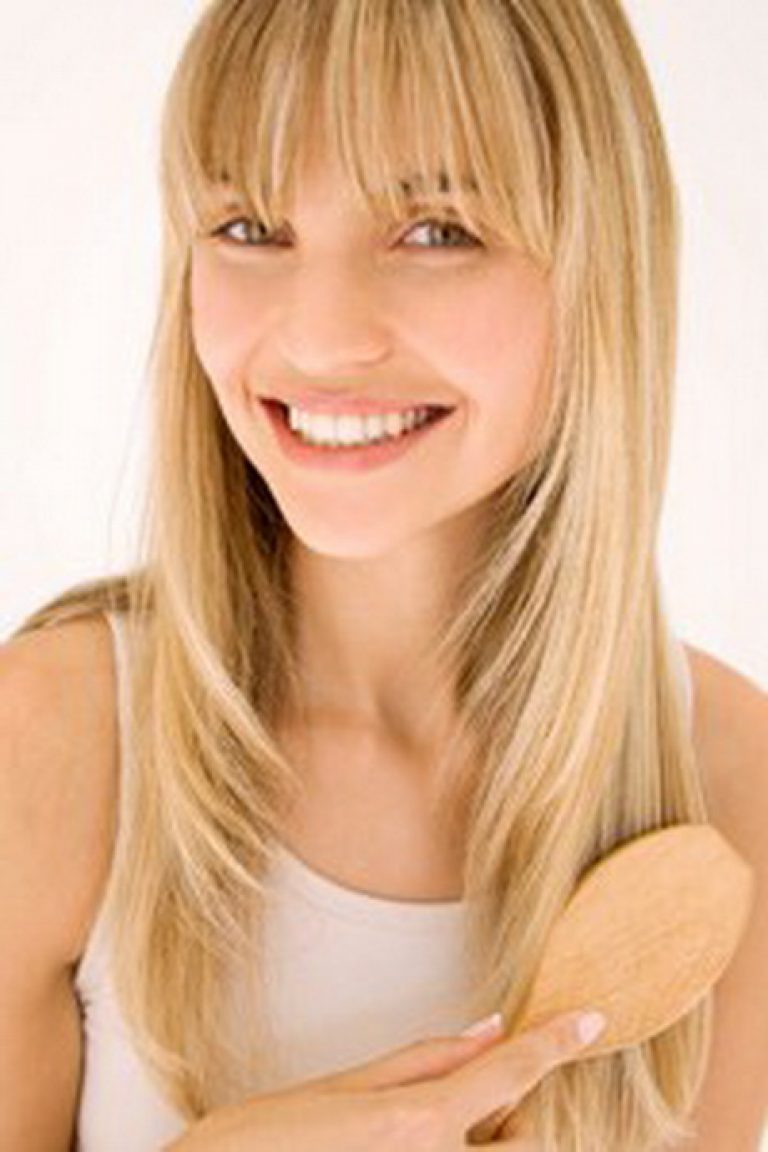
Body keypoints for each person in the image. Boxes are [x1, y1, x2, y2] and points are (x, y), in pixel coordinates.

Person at [2, 1, 767, 1149]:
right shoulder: (51, 743)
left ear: (596, 269)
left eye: (435, 231)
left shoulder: (726, 782)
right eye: (249, 225)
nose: (320, 338)